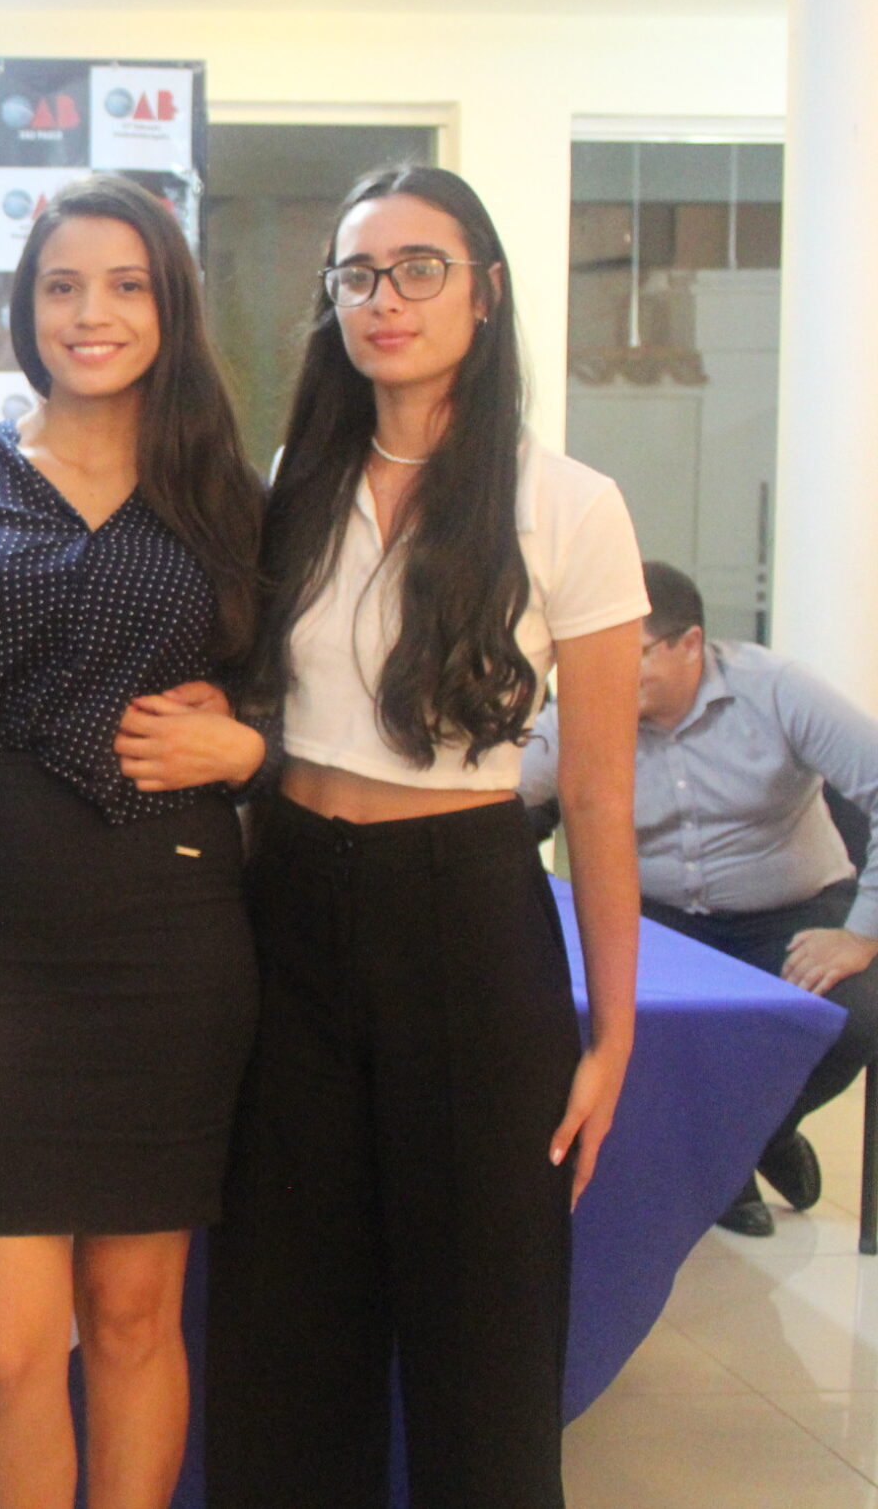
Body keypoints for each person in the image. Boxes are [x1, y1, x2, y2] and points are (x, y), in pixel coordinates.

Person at [204, 164, 648, 1509]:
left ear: (486, 291)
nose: (383, 299)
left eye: (418, 268)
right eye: (356, 274)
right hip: (288, 906)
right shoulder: (290, 487)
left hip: (465, 911)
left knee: (484, 1333)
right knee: (285, 1327)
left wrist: (612, 1031)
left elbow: (600, 797)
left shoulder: (568, 502)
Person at [0, 174, 266, 1509]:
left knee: (131, 1314)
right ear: (25, 306)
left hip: (171, 938)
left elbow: (300, 699)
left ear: (170, 306)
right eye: (61, 285)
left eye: (124, 284)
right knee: (5, 1348)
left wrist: (251, 747)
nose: (89, 313)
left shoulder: (229, 492)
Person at [521, 560, 878, 1236]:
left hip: (793, 914)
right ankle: (731, 1165)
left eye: (630, 652)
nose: (605, 669)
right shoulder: (590, 706)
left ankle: (756, 1141)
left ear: (689, 644)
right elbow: (505, 790)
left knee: (854, 1016)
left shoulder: (775, 689)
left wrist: (862, 932)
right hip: (660, 922)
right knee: (611, 1019)